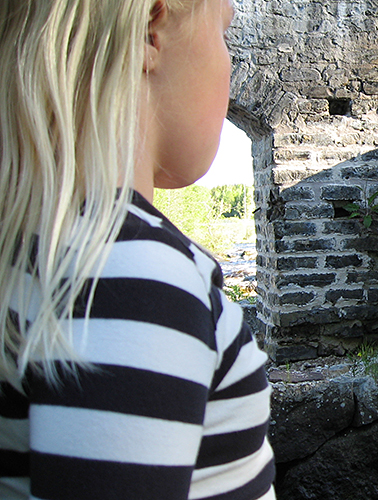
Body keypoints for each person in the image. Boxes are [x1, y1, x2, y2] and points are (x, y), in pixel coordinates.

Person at [0, 0, 276, 498]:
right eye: (224, 33)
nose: (228, 62)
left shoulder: (36, 250)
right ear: (152, 31)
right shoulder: (131, 276)